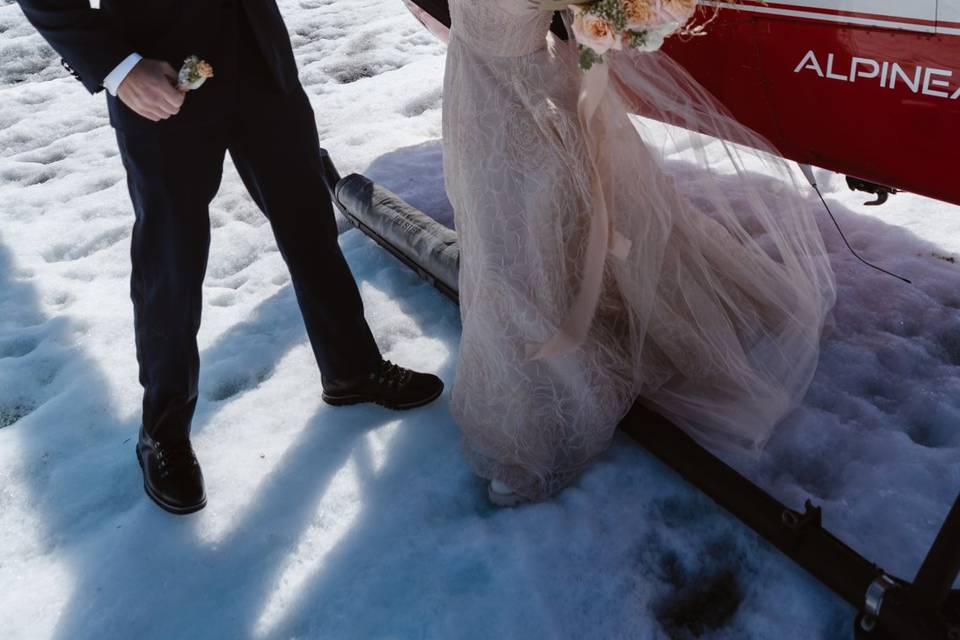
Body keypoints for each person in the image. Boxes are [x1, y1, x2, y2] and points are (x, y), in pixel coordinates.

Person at [16, 0, 444, 515]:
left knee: (309, 222)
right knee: (172, 260)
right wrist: (118, 67)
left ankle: (351, 369)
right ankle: (163, 432)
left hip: (260, 57)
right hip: (160, 74)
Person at [442, 0, 837, 506]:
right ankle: (556, 359)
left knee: (513, 249)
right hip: (481, 98)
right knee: (521, 237)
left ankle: (531, 431)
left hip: (517, 110)